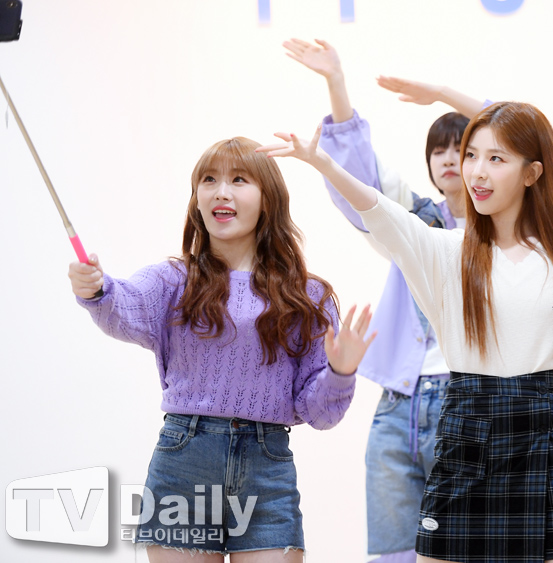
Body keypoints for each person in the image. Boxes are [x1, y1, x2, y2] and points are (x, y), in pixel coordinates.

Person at [257, 101, 553, 563]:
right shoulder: (447, 251)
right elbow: (381, 213)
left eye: (496, 158)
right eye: (471, 155)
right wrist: (324, 163)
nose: (476, 171)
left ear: (533, 173)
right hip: (468, 431)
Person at [68, 136, 376, 563]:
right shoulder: (173, 281)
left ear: (268, 199)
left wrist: (341, 373)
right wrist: (96, 289)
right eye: (209, 180)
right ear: (196, 200)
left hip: (267, 473)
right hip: (183, 466)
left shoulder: (307, 296)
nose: (221, 192)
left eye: (239, 179)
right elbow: (124, 306)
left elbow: (320, 414)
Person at [283, 38, 487, 563]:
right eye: (439, 150)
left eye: (463, 148)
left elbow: (521, 128)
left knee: (467, 550)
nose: (450, 158)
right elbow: (361, 184)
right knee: (394, 555)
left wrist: (442, 92)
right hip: (399, 403)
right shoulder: (413, 223)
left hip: (470, 401)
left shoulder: (509, 234)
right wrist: (336, 83)